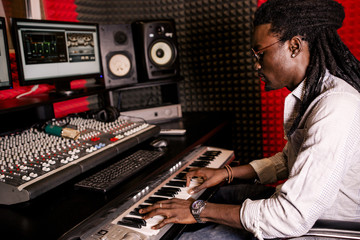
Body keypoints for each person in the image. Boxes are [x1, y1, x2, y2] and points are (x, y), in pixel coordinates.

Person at [140, 0, 360, 239]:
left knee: (188, 236)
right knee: (220, 194)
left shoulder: (336, 107)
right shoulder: (314, 94)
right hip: (306, 215)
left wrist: (197, 210)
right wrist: (227, 174)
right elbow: (290, 159)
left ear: (294, 46)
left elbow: (289, 217)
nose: (256, 64)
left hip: (327, 229)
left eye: (260, 53)